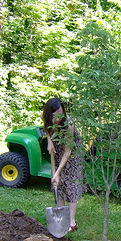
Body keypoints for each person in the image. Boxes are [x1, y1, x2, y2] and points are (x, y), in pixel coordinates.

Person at [42, 97, 85, 233]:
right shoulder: (44, 115)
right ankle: (60, 216)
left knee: (71, 182)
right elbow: (45, 125)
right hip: (58, 147)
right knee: (58, 184)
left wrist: (57, 172)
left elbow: (68, 151)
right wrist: (49, 139)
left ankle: (71, 221)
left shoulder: (69, 124)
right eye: (55, 115)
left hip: (72, 152)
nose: (58, 118)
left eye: (60, 114)